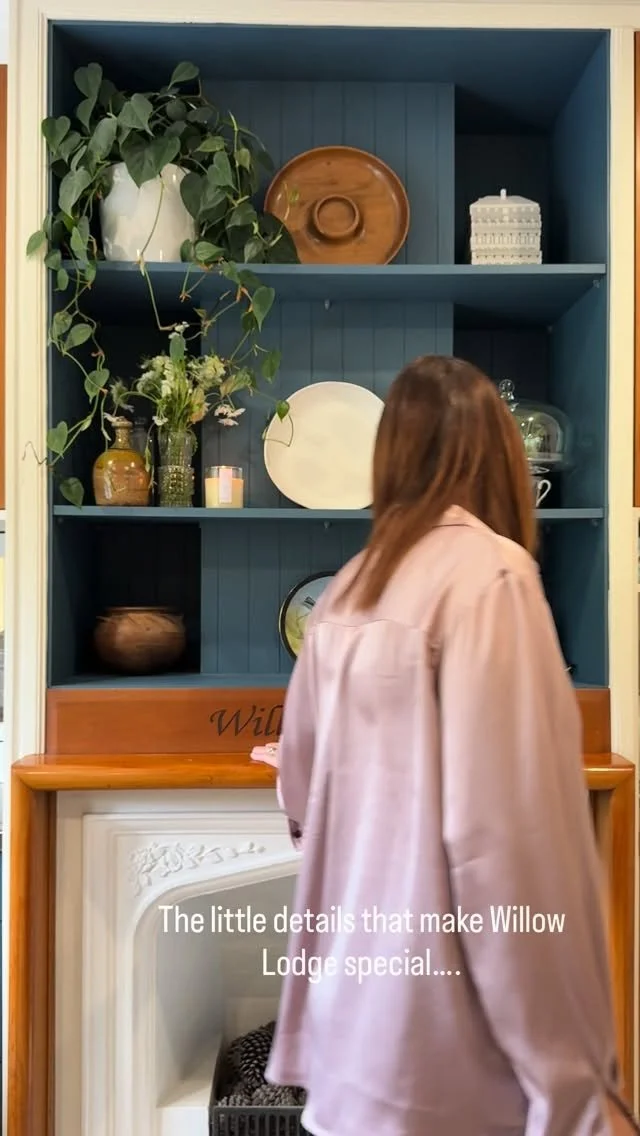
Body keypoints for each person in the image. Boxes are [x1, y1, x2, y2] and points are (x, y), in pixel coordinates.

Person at [265, 356, 638, 1136]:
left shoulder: (347, 589)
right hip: (450, 1056)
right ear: (496, 450)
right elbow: (505, 846)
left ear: (389, 457)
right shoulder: (492, 579)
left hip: (350, 1042)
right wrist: (571, 1080)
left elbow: (301, 793)